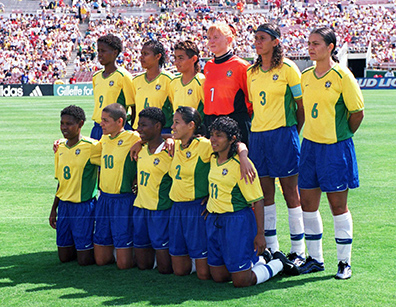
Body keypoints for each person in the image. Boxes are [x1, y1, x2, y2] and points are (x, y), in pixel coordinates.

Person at [297, 27, 364, 279]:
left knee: (338, 205)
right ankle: (316, 259)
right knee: (308, 204)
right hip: (310, 148)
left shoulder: (342, 75)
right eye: (309, 43)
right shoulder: (305, 76)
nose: (311, 47)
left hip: (336, 149)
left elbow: (357, 114)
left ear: (330, 47)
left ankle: (344, 263)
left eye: (316, 43)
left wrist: (341, 136)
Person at [205, 116, 299, 288]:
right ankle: (260, 259)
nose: (213, 139)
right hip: (214, 221)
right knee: (219, 277)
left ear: (232, 139)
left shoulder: (242, 167)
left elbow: (258, 201)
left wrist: (260, 234)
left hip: (237, 222)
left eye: (218, 135)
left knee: (241, 281)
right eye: (211, 134)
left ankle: (278, 263)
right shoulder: (212, 157)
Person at [246, 23, 306, 265]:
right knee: (265, 194)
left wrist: (292, 133)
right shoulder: (251, 72)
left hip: (283, 136)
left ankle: (298, 250)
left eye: (262, 38)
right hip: (258, 137)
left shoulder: (289, 68)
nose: (258, 42)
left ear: (275, 41)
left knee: (291, 193)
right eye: (256, 38)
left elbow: (301, 107)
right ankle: (271, 248)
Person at [91, 103, 140, 269]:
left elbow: (156, 138)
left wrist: (143, 142)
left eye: (105, 120)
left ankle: (143, 256)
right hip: (104, 199)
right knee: (101, 260)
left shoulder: (133, 137)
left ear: (120, 121)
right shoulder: (104, 138)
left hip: (123, 201)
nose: (101, 124)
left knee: (124, 265)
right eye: (101, 120)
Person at [49, 105, 99, 266]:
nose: (64, 127)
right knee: (64, 257)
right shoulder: (60, 148)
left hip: (83, 206)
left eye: (69, 123)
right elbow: (61, 182)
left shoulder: (93, 146)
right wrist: (53, 209)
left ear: (81, 124)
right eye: (62, 123)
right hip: (64, 207)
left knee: (84, 261)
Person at [133, 107, 173, 274]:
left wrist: (169, 138)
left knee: (165, 269)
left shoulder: (170, 151)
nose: (139, 129)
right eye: (138, 125)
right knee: (142, 265)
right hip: (140, 207)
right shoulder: (140, 149)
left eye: (143, 125)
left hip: (160, 210)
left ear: (157, 126)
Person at [203, 23, 252, 145]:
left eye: (215, 37)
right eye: (209, 38)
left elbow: (250, 100)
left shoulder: (241, 66)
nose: (211, 42)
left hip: (234, 123)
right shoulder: (208, 66)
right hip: (211, 123)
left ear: (228, 40)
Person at [91, 34, 134, 140]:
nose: (100, 55)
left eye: (103, 51)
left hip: (115, 129)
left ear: (115, 53)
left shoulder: (123, 76)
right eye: (98, 51)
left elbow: (133, 107)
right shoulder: (96, 77)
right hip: (97, 127)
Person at [131, 40, 174, 133]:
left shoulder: (169, 80)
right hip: (139, 133)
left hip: (161, 133)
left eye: (146, 54)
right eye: (141, 53)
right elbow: (133, 109)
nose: (141, 57)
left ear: (158, 56)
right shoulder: (136, 80)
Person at [170, 40, 205, 120]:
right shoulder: (173, 82)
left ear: (194, 59)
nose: (176, 62)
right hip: (177, 131)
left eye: (180, 58)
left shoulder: (201, 81)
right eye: (175, 58)